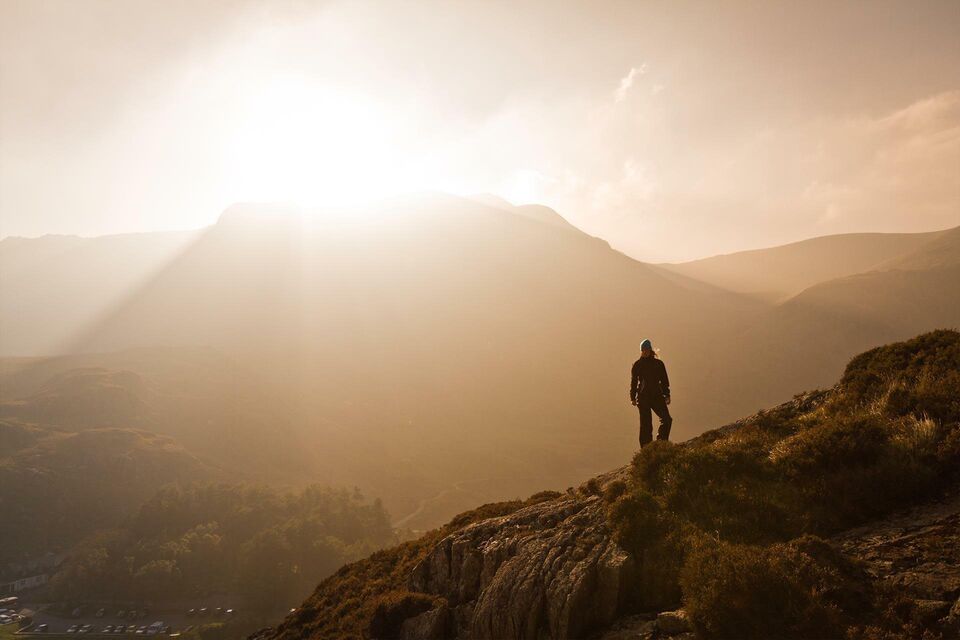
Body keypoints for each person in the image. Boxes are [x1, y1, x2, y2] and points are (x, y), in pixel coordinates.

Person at [630, 338, 672, 447]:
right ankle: (646, 450)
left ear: (650, 350)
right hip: (643, 398)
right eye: (643, 350)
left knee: (667, 420)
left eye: (647, 349)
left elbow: (664, 381)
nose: (645, 351)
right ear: (641, 350)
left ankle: (661, 444)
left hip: (657, 396)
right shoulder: (637, 365)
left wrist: (667, 395)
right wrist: (632, 397)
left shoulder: (658, 364)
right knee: (646, 426)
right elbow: (634, 382)